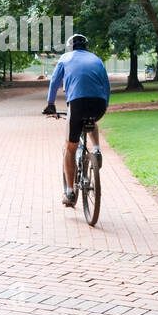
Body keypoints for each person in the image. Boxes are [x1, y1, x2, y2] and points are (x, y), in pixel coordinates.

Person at [43, 34, 111, 207]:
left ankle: (70, 193)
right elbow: (106, 85)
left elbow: (54, 82)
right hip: (99, 104)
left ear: (69, 47)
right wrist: (105, 104)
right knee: (92, 120)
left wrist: (50, 104)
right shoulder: (97, 59)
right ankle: (96, 149)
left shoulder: (65, 58)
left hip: (77, 103)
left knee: (70, 148)